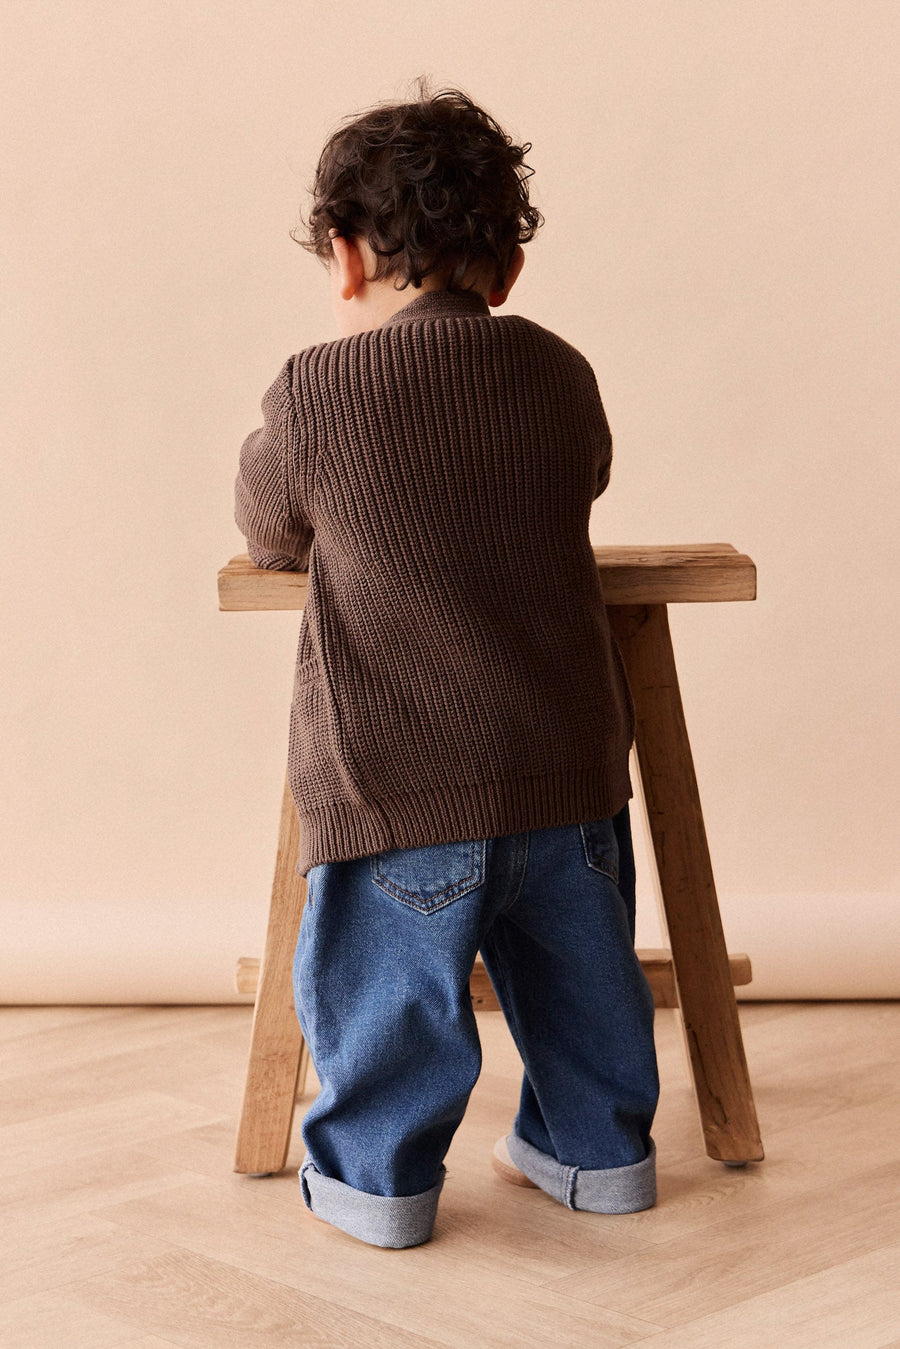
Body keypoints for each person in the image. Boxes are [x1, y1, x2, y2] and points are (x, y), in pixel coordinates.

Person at [233, 76, 660, 1249]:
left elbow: (267, 526)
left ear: (344, 257)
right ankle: (601, 1155)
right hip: (567, 776)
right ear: (507, 269)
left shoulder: (317, 390)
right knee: (584, 986)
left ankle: (380, 1185)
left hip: (403, 786)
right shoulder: (561, 374)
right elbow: (587, 473)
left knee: (393, 1004)